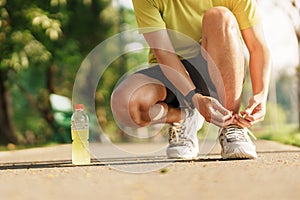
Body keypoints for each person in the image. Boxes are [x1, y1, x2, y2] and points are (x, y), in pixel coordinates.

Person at [111, 0, 271, 159]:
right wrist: (194, 97)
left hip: (213, 68)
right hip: (171, 68)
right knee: (125, 104)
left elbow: (257, 46)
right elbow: (164, 52)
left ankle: (232, 126)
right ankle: (186, 117)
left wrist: (261, 95)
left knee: (220, 16)